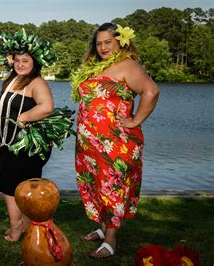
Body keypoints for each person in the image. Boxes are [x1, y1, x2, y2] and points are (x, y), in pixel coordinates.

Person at [71, 23, 159, 259]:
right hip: (89, 143)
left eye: (108, 42)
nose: (102, 47)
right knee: (95, 185)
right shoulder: (96, 67)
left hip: (115, 142)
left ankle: (111, 239)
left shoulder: (127, 65)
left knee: (112, 188)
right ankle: (102, 229)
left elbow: (151, 91)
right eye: (99, 43)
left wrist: (134, 120)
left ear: (120, 42)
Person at [0, 28, 56, 242]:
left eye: (25, 61)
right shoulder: (12, 80)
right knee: (12, 185)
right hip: (7, 142)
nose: (20, 64)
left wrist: (23, 117)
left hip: (24, 146)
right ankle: (27, 226)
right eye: (17, 60)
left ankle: (17, 227)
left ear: (34, 63)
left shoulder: (36, 82)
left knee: (12, 187)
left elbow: (47, 107)